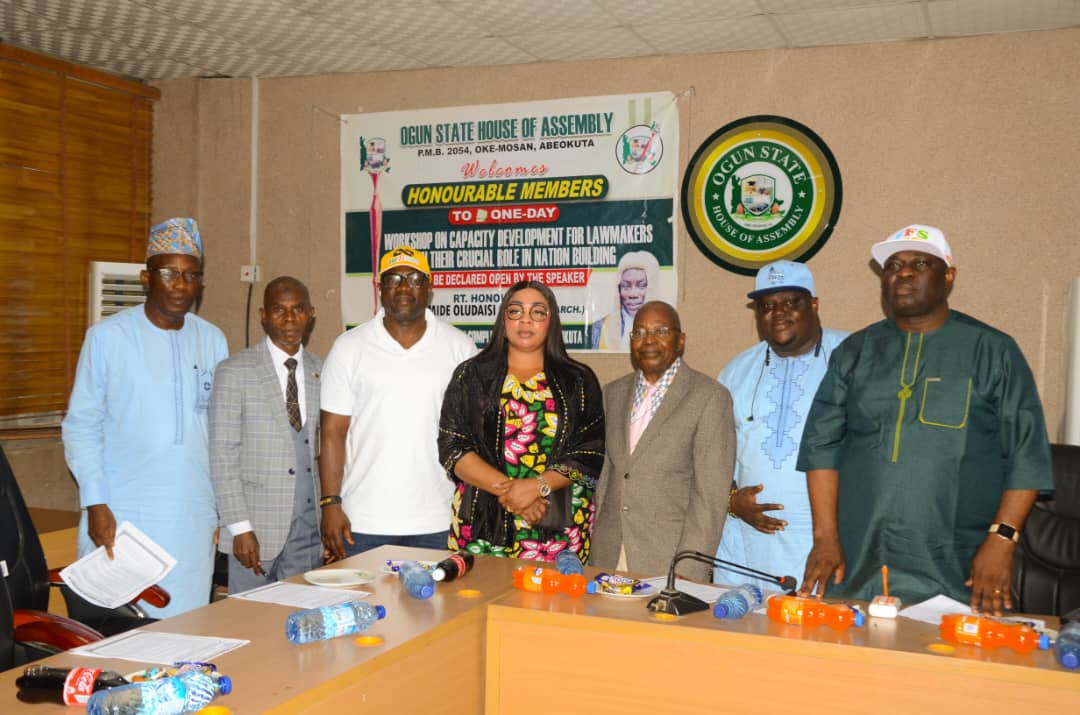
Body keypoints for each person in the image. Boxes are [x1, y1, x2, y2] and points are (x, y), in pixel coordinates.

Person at [797, 225, 1053, 613]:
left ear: (948, 276)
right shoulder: (855, 352)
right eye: (892, 266)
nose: (903, 273)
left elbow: (1026, 456)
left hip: (957, 565)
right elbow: (822, 448)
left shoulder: (992, 350)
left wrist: (1002, 540)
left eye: (920, 263)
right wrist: (825, 538)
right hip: (857, 561)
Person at [62, 218, 228, 617]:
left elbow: (220, 431)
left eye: (191, 275)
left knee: (187, 628)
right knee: (121, 633)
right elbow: (82, 425)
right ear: (145, 278)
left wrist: (224, 510)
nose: (180, 285)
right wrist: (95, 503)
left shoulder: (212, 339)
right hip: (123, 515)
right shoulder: (107, 338)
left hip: (192, 515)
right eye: (169, 273)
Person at [319, 246, 477, 559]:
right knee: (361, 594)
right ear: (380, 288)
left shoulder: (460, 348)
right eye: (393, 279)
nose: (404, 287)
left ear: (429, 288)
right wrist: (330, 503)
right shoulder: (349, 347)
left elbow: (472, 434)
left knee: (437, 595)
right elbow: (332, 432)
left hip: (438, 519)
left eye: (414, 279)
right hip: (362, 520)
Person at [438, 281, 605, 561]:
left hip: (560, 527)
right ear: (503, 321)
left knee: (557, 592)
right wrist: (514, 493)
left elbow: (591, 453)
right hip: (483, 526)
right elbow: (452, 446)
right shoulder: (471, 375)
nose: (525, 320)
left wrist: (537, 487)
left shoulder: (578, 379)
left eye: (537, 312)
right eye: (515, 311)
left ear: (551, 322)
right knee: (480, 591)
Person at [715, 261, 847, 585]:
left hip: (824, 543)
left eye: (791, 302)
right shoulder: (737, 371)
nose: (778, 313)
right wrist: (732, 501)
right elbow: (713, 455)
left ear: (813, 304)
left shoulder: (850, 357)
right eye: (767, 305)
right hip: (746, 545)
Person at [591, 301, 735, 581]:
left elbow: (710, 497)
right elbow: (607, 476)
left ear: (680, 341)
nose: (649, 341)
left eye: (661, 331)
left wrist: (688, 571)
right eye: (639, 332)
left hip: (668, 561)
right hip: (609, 555)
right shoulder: (612, 393)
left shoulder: (709, 397)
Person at [209, 277, 323, 593]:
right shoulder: (234, 371)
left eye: (298, 309)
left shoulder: (322, 370)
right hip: (255, 532)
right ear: (263, 315)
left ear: (311, 314)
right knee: (252, 618)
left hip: (308, 532)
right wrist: (239, 527)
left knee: (303, 614)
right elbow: (222, 455)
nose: (289, 319)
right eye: (278, 310)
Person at [591, 251, 659, 350]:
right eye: (626, 286)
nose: (633, 294)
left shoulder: (666, 326)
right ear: (618, 289)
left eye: (641, 286)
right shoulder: (600, 328)